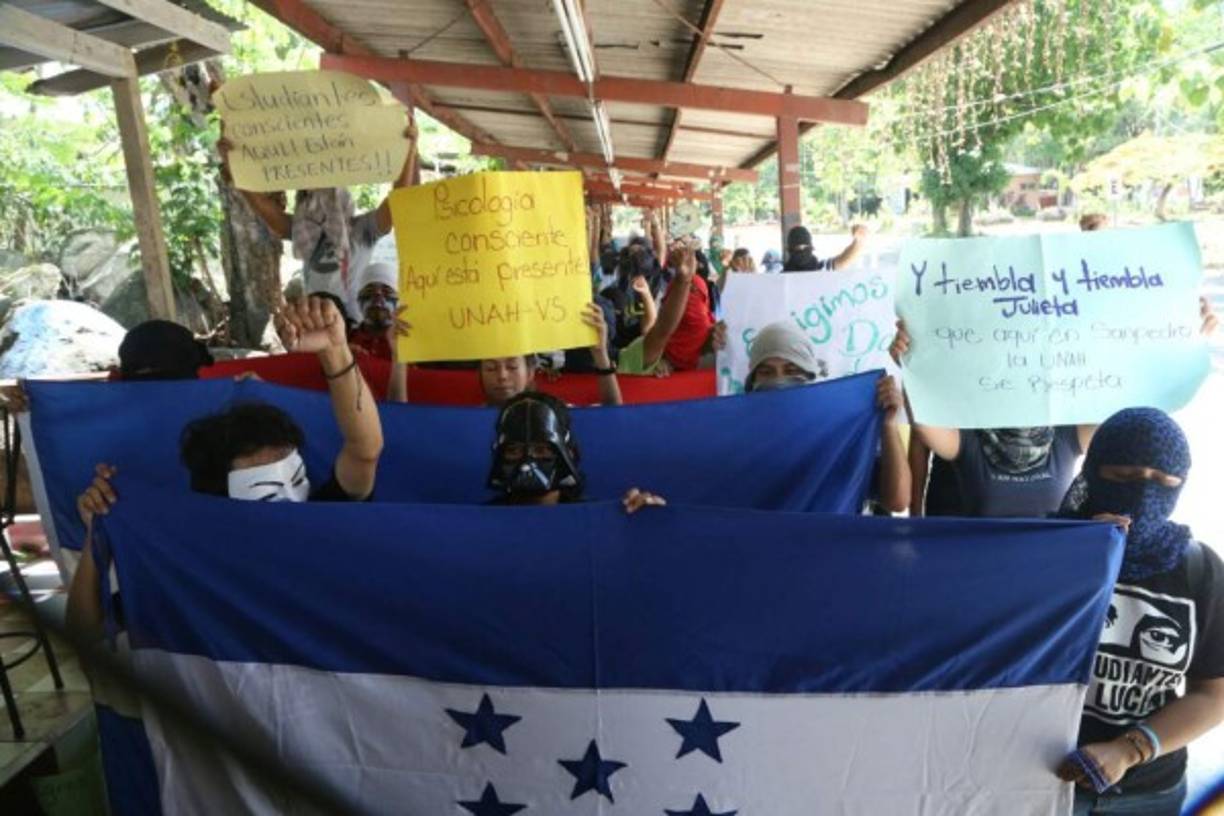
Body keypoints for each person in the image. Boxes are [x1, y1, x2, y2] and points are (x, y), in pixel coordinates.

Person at [67, 295, 384, 638]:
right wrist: (94, 538)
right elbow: (86, 633)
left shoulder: (325, 517)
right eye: (267, 492)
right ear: (220, 499)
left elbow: (364, 449)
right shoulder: (195, 571)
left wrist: (334, 350)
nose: (294, 500)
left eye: (298, 478)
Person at [1054, 408, 1224, 816]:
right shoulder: (1046, 552)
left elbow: (1214, 693)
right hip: (1040, 778)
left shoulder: (1199, 570)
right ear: (1094, 471)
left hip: (1150, 791)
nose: (1143, 496)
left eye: (1163, 483)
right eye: (1123, 479)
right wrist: (1080, 554)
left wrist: (1129, 750)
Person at [218, 116, 418, 306]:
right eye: (309, 196)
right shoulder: (303, 231)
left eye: (328, 195)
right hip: (316, 321)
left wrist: (409, 147)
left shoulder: (361, 231)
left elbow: (397, 200)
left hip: (353, 328)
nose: (319, 202)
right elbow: (263, 207)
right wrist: (233, 162)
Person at [745, 321, 909, 514]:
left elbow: (897, 501)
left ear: (811, 375)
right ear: (752, 383)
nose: (779, 380)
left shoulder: (843, 432)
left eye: (792, 371)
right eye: (766, 372)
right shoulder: (738, 438)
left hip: (832, 542)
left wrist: (888, 425)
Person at [487, 391, 662, 513]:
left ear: (567, 452)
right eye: (514, 450)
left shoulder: (594, 519)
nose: (526, 464)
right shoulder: (481, 521)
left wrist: (644, 519)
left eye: (541, 449)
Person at [476, 303, 623, 407]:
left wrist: (600, 355)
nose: (502, 375)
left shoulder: (553, 413)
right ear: (480, 374)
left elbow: (611, 416)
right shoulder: (468, 421)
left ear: (530, 372)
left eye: (512, 366)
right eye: (490, 368)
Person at [347, 262, 399, 360]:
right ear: (358, 301)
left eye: (387, 291)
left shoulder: (410, 343)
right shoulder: (344, 339)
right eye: (369, 291)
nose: (378, 295)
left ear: (399, 301)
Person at [783, 225, 867, 272]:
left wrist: (858, 241)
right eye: (797, 249)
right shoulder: (780, 275)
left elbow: (843, 261)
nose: (801, 251)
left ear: (811, 248)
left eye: (805, 247)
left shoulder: (820, 268)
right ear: (790, 250)